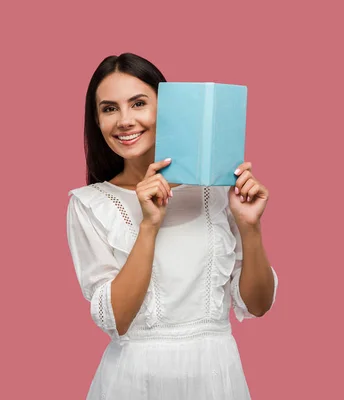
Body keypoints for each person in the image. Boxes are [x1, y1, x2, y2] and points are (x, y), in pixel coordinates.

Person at [66, 53, 278, 399]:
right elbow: (116, 318)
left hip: (215, 377)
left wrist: (250, 227)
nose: (125, 120)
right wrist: (149, 225)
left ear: (167, 109)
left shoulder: (219, 190)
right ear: (97, 121)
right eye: (109, 109)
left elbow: (258, 305)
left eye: (138, 103)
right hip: (133, 383)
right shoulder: (90, 204)